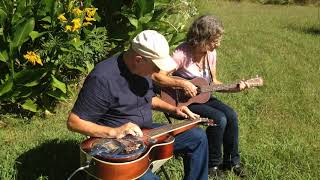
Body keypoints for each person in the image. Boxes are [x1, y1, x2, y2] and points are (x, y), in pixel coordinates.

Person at [67, 30, 209, 180]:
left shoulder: (143, 71)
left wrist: (174, 109)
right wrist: (114, 132)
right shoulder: (102, 78)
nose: (158, 71)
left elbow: (148, 98)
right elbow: (73, 122)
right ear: (139, 59)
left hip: (146, 133)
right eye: (155, 66)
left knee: (197, 137)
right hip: (118, 145)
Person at [152, 15, 247, 178]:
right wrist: (183, 84)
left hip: (203, 96)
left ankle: (232, 161)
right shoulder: (181, 53)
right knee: (219, 118)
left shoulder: (211, 54)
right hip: (182, 101)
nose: (218, 44)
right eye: (214, 40)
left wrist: (235, 88)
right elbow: (157, 77)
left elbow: (214, 83)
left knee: (231, 115)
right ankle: (212, 165)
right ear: (201, 38)